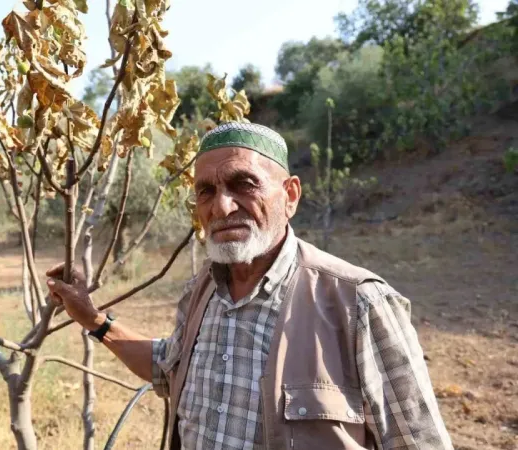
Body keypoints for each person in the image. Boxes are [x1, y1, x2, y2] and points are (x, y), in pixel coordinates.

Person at [45, 122, 453, 449]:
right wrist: (92, 318)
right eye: (206, 191)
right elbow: (169, 370)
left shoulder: (359, 303)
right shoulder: (201, 292)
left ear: (290, 195)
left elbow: (419, 442)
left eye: (244, 184)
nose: (221, 206)